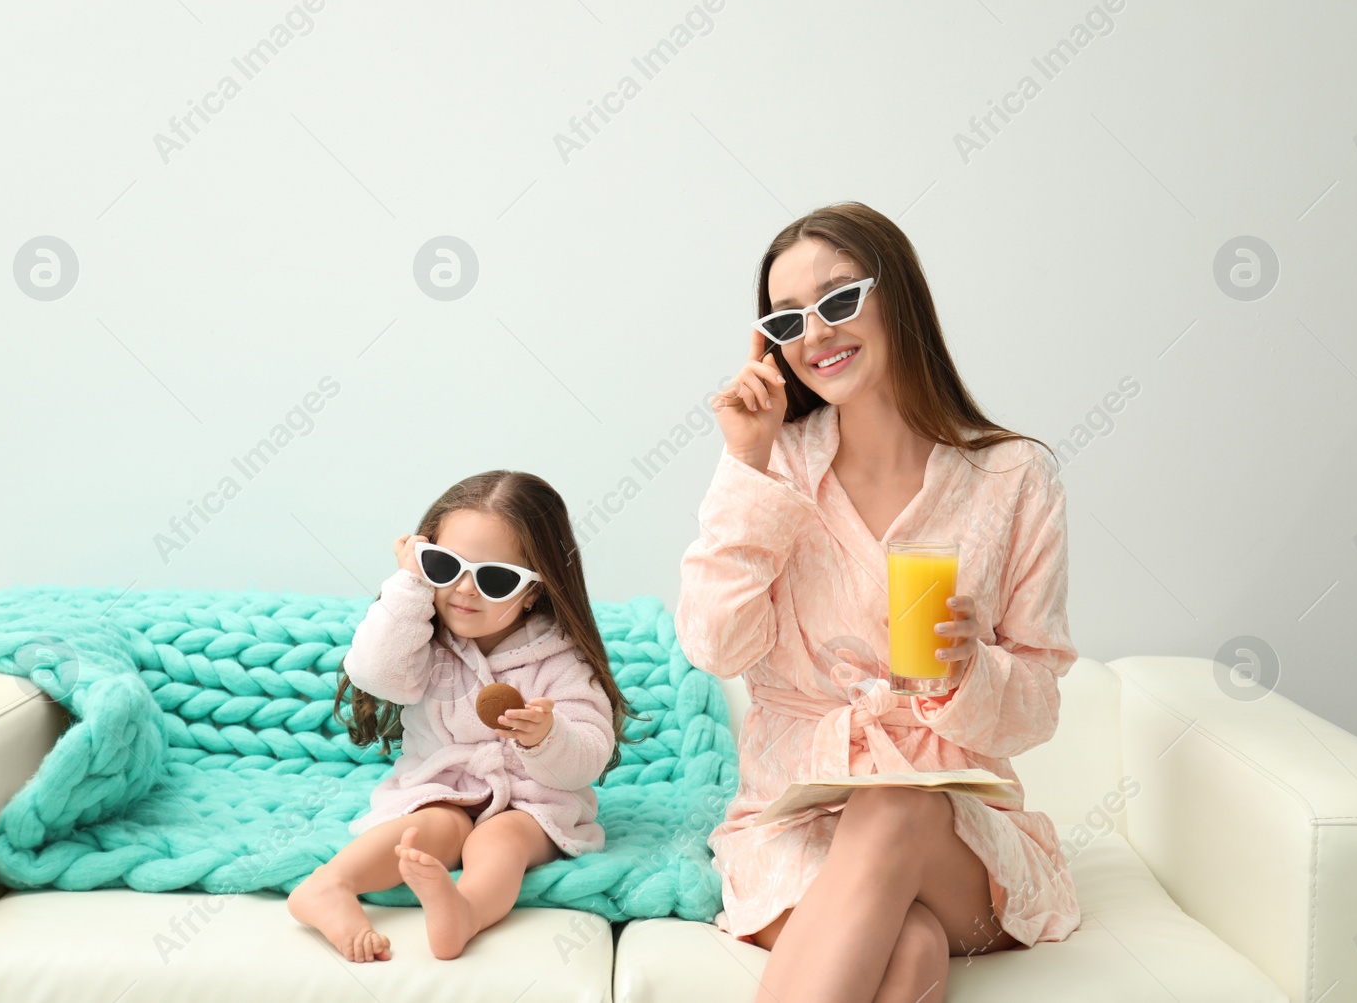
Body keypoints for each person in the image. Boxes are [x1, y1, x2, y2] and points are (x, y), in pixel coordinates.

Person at [675, 201, 1080, 1003]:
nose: (815, 333)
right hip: (795, 827)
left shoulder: (1014, 477)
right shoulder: (774, 467)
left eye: (837, 300)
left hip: (956, 836)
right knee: (912, 947)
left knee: (897, 808)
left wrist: (972, 670)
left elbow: (1035, 708)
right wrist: (745, 464)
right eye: (788, 319)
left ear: (896, 296)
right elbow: (715, 646)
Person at [288, 470, 639, 961]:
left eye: (495, 578)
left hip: (530, 801)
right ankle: (329, 885)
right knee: (431, 828)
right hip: (442, 788)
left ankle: (465, 910)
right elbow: (376, 673)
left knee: (505, 837)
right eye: (443, 565)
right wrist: (410, 584)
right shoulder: (421, 639)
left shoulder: (560, 660)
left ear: (535, 591)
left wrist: (548, 737)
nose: (464, 590)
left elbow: (587, 761)